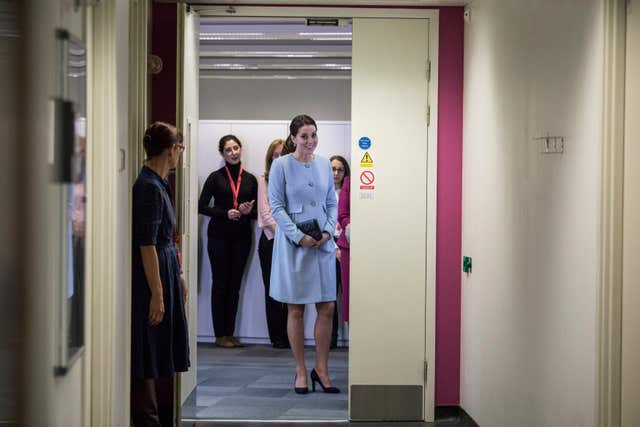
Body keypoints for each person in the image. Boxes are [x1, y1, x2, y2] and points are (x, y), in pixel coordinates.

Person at [269, 114, 340, 394]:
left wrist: (326, 231)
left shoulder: (324, 164)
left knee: (328, 307)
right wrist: (299, 236)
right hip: (294, 245)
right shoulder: (281, 166)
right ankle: (300, 371)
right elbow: (276, 207)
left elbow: (331, 203)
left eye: (314, 135)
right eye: (304, 136)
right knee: (296, 308)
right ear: (293, 138)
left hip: (321, 244)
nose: (310, 141)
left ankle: (321, 369)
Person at [131, 122, 190, 427]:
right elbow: (147, 244)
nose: (180, 153)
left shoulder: (159, 182)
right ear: (170, 149)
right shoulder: (148, 187)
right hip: (152, 275)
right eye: (180, 147)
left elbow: (167, 238)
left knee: (156, 350)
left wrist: (177, 271)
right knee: (147, 350)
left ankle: (153, 416)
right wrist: (158, 294)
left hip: (165, 267)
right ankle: (148, 417)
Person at [198, 135, 257, 348]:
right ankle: (219, 334)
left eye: (235, 148)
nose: (233, 153)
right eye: (228, 150)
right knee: (220, 284)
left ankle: (230, 334)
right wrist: (225, 213)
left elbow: (258, 212)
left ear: (241, 150)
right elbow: (201, 206)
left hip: (242, 237)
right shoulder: (215, 177)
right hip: (219, 237)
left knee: (234, 286)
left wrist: (247, 211)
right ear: (222, 153)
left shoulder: (250, 179)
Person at [257, 139, 290, 349]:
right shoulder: (263, 180)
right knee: (272, 289)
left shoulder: (292, 178)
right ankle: (276, 337)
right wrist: (287, 234)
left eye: (281, 155)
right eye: (274, 156)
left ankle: (289, 335)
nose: (278, 159)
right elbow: (266, 214)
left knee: (289, 290)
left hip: (289, 241)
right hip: (271, 241)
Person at [329, 155, 350, 348]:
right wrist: (334, 248)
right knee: (329, 297)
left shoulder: (349, 192)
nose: (336, 173)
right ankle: (331, 338)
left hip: (347, 245)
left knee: (349, 293)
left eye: (340, 170)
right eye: (332, 169)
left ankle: (354, 337)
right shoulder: (322, 192)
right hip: (328, 246)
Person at [337, 176, 351, 325]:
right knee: (351, 296)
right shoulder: (349, 182)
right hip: (350, 245)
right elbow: (342, 215)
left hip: (379, 244)